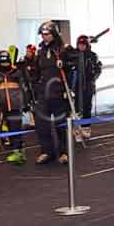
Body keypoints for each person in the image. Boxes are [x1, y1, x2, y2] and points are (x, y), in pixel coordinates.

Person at [32, 21, 72, 165]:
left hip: (58, 92)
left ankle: (63, 152)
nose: (44, 37)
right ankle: (46, 151)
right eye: (43, 34)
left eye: (47, 34)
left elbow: (72, 68)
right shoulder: (40, 50)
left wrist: (65, 63)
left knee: (60, 123)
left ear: (54, 34)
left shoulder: (63, 49)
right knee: (42, 124)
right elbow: (37, 70)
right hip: (43, 92)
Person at [0, 50, 27, 164]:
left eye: (6, 62)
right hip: (4, 107)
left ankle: (17, 151)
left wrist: (26, 103)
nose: (5, 65)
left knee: (16, 128)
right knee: (9, 129)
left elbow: (24, 89)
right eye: (2, 63)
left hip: (16, 106)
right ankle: (18, 150)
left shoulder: (17, 73)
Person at [69, 35, 103, 141]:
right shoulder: (73, 55)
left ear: (87, 45)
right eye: (79, 44)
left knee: (87, 107)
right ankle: (77, 129)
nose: (81, 47)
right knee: (76, 108)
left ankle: (86, 128)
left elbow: (98, 68)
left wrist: (93, 78)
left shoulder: (92, 56)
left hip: (88, 85)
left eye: (83, 44)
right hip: (75, 87)